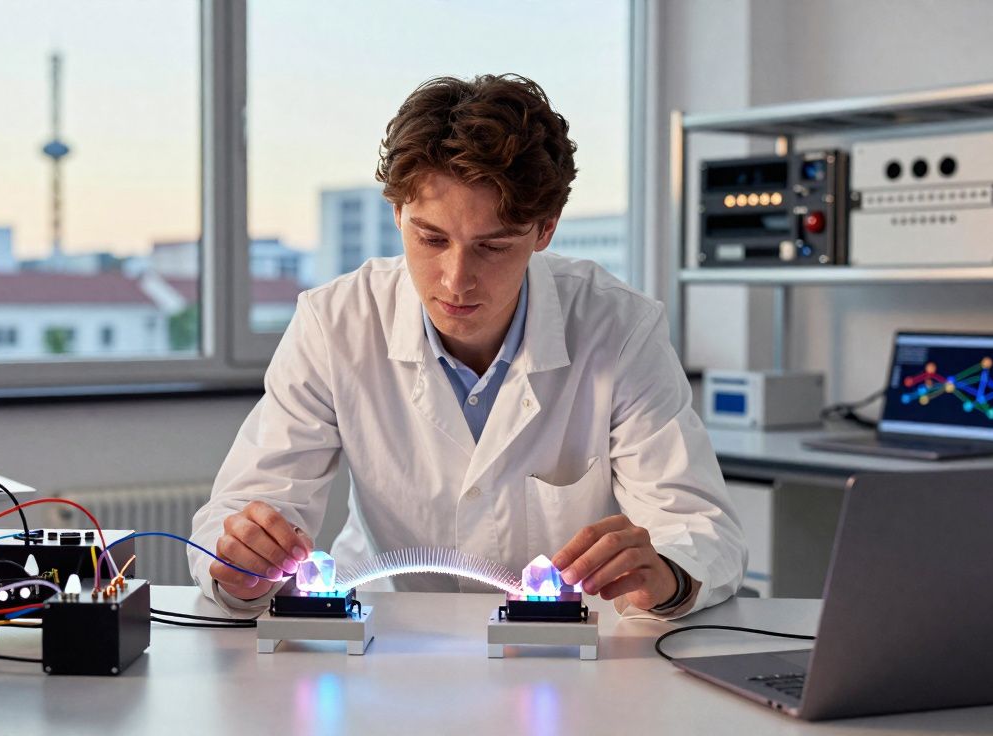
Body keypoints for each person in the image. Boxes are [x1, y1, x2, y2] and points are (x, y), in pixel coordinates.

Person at [188, 74, 745, 619]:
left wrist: (670, 576)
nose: (455, 280)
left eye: (493, 246)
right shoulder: (334, 323)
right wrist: (241, 565)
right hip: (385, 641)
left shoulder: (618, 327)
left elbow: (697, 528)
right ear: (397, 213)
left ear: (544, 229)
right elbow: (242, 512)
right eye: (431, 239)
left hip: (566, 658)